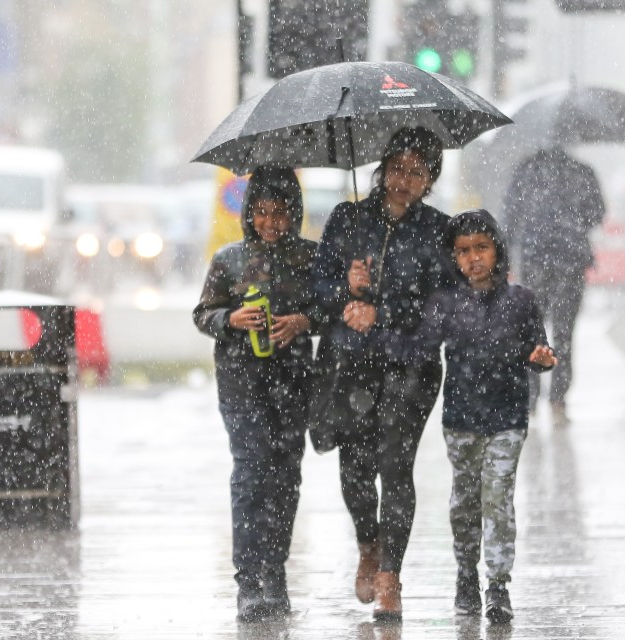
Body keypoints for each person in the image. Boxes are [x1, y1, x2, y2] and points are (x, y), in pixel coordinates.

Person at [374, 209, 556, 622]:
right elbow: (417, 347)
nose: (474, 258)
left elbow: (539, 349)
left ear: (497, 251)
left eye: (482, 248)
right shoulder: (444, 304)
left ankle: (498, 583)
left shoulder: (521, 301)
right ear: (452, 258)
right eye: (463, 251)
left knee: (498, 497)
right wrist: (377, 323)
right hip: (461, 420)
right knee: (465, 503)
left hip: (508, 417)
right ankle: (465, 573)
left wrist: (541, 358)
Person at [311, 126, 450, 620]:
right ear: (381, 168)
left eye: (416, 172)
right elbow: (317, 290)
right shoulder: (348, 218)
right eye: (397, 168)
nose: (403, 180)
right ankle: (368, 542)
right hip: (352, 364)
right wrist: (346, 289)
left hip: (410, 368)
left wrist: (383, 311)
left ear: (430, 180)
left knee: (395, 465)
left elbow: (442, 308)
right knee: (354, 471)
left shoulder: (440, 230)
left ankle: (390, 573)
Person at [192, 166, 317, 622]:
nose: (270, 223)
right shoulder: (229, 259)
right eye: (261, 212)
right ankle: (248, 581)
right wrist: (230, 320)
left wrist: (303, 322)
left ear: (295, 213)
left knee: (286, 476)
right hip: (241, 383)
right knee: (250, 472)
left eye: (280, 213)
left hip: (295, 381)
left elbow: (331, 309)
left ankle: (275, 572)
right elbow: (202, 313)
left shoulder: (313, 258)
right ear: (248, 213)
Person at [502, 147, 605, 424]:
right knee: (564, 334)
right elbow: (597, 214)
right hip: (571, 261)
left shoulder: (527, 170)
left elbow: (510, 215)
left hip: (536, 261)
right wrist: (572, 218)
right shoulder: (581, 172)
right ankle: (558, 401)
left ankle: (532, 399)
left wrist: (507, 255)